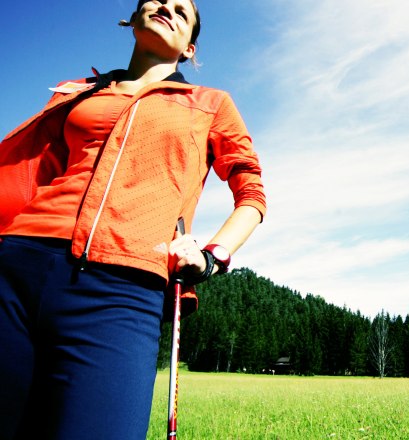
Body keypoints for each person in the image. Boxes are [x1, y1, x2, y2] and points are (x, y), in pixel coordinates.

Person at [0, 0, 266, 438]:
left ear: (190, 50)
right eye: (157, 0)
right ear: (132, 19)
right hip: (19, 266)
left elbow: (251, 193)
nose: (166, 6)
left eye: (182, 10)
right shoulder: (78, 92)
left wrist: (213, 255)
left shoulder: (210, 103)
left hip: (121, 288)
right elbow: (34, 173)